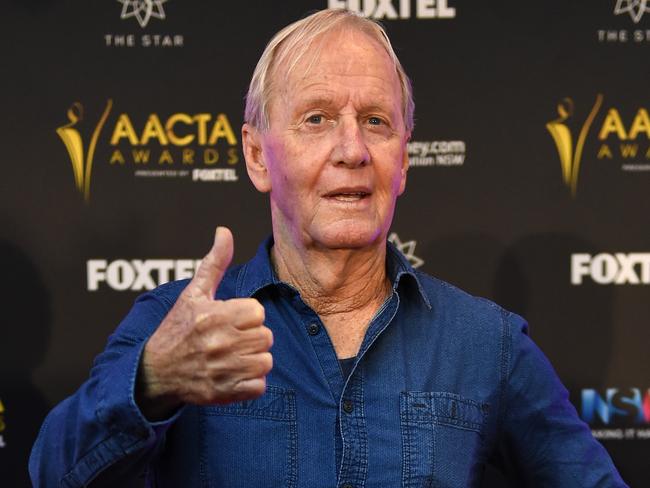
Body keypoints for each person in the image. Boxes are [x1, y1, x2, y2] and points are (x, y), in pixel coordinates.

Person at [30, 9, 627, 487]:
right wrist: (152, 382)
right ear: (258, 155)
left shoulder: (486, 344)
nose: (352, 150)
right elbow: (51, 473)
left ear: (404, 161)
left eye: (376, 122)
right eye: (316, 119)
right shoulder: (175, 327)